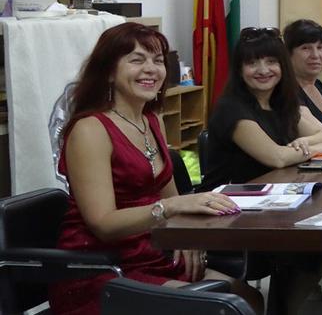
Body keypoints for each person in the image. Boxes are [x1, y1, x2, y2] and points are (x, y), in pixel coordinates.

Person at [50, 22, 261, 315]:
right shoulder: (91, 129)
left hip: (153, 252)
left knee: (248, 297)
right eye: (137, 60)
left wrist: (188, 236)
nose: (151, 69)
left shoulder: (153, 120)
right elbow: (103, 223)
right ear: (109, 71)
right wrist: (169, 208)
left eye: (158, 61)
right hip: (102, 267)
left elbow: (173, 199)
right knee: (224, 307)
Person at [205, 27, 322, 188]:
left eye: (271, 61)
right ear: (239, 70)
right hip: (225, 203)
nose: (263, 70)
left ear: (283, 66)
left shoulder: (279, 103)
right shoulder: (230, 108)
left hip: (270, 193)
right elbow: (277, 157)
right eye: (252, 63)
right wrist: (316, 149)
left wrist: (304, 141)